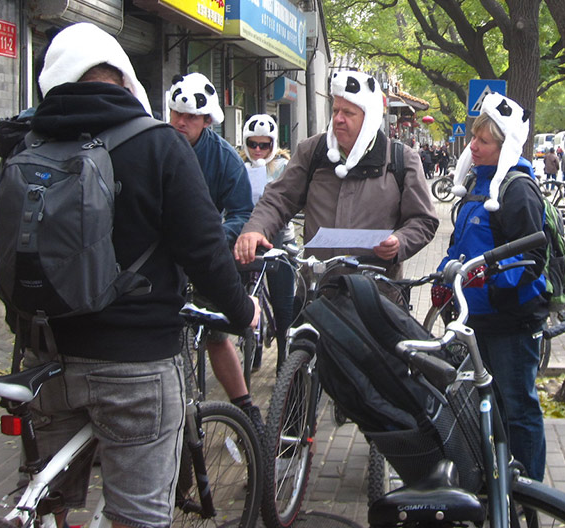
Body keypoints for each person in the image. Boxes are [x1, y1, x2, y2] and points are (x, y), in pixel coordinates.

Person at [0, 23, 257, 528]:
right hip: (135, 365)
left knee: (46, 501)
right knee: (137, 515)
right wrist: (241, 310)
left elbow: (9, 248)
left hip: (44, 359)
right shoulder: (159, 144)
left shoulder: (25, 145)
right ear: (124, 77)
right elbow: (204, 250)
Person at [235, 70, 439, 279]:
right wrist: (256, 228)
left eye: (348, 113)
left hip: (377, 290)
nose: (338, 119)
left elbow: (423, 220)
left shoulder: (401, 158)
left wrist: (400, 242)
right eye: (335, 110)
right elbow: (279, 198)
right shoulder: (312, 151)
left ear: (369, 117)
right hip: (317, 287)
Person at [439, 92, 549, 480]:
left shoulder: (517, 189)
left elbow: (530, 257)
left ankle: (530, 492)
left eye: (483, 141)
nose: (473, 146)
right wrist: (445, 272)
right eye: (474, 137)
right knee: (491, 406)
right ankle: (498, 481)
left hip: (510, 321)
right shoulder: (476, 183)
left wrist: (494, 285)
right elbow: (460, 243)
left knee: (518, 408)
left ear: (504, 147)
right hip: (478, 320)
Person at [165, 72, 262, 425]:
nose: (181, 122)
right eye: (177, 114)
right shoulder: (155, 143)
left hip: (203, 256)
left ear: (207, 120)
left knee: (216, 335)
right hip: (160, 259)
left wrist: (212, 237)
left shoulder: (223, 158)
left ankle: (245, 409)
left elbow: (241, 212)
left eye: (190, 117)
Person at [239, 113, 296, 373]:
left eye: (265, 145)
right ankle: (253, 349)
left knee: (284, 304)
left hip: (279, 240)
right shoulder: (238, 165)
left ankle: (284, 356)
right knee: (243, 296)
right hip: (245, 239)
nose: (258, 150)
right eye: (253, 144)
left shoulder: (284, 167)